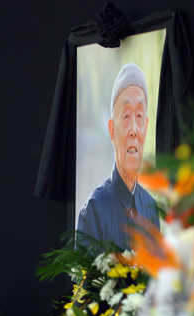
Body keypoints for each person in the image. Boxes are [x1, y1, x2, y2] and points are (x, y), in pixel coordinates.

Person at [77, 63, 160, 251]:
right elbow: (82, 281)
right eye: (125, 116)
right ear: (112, 131)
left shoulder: (152, 210)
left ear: (146, 128)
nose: (133, 130)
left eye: (139, 116)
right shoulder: (92, 212)